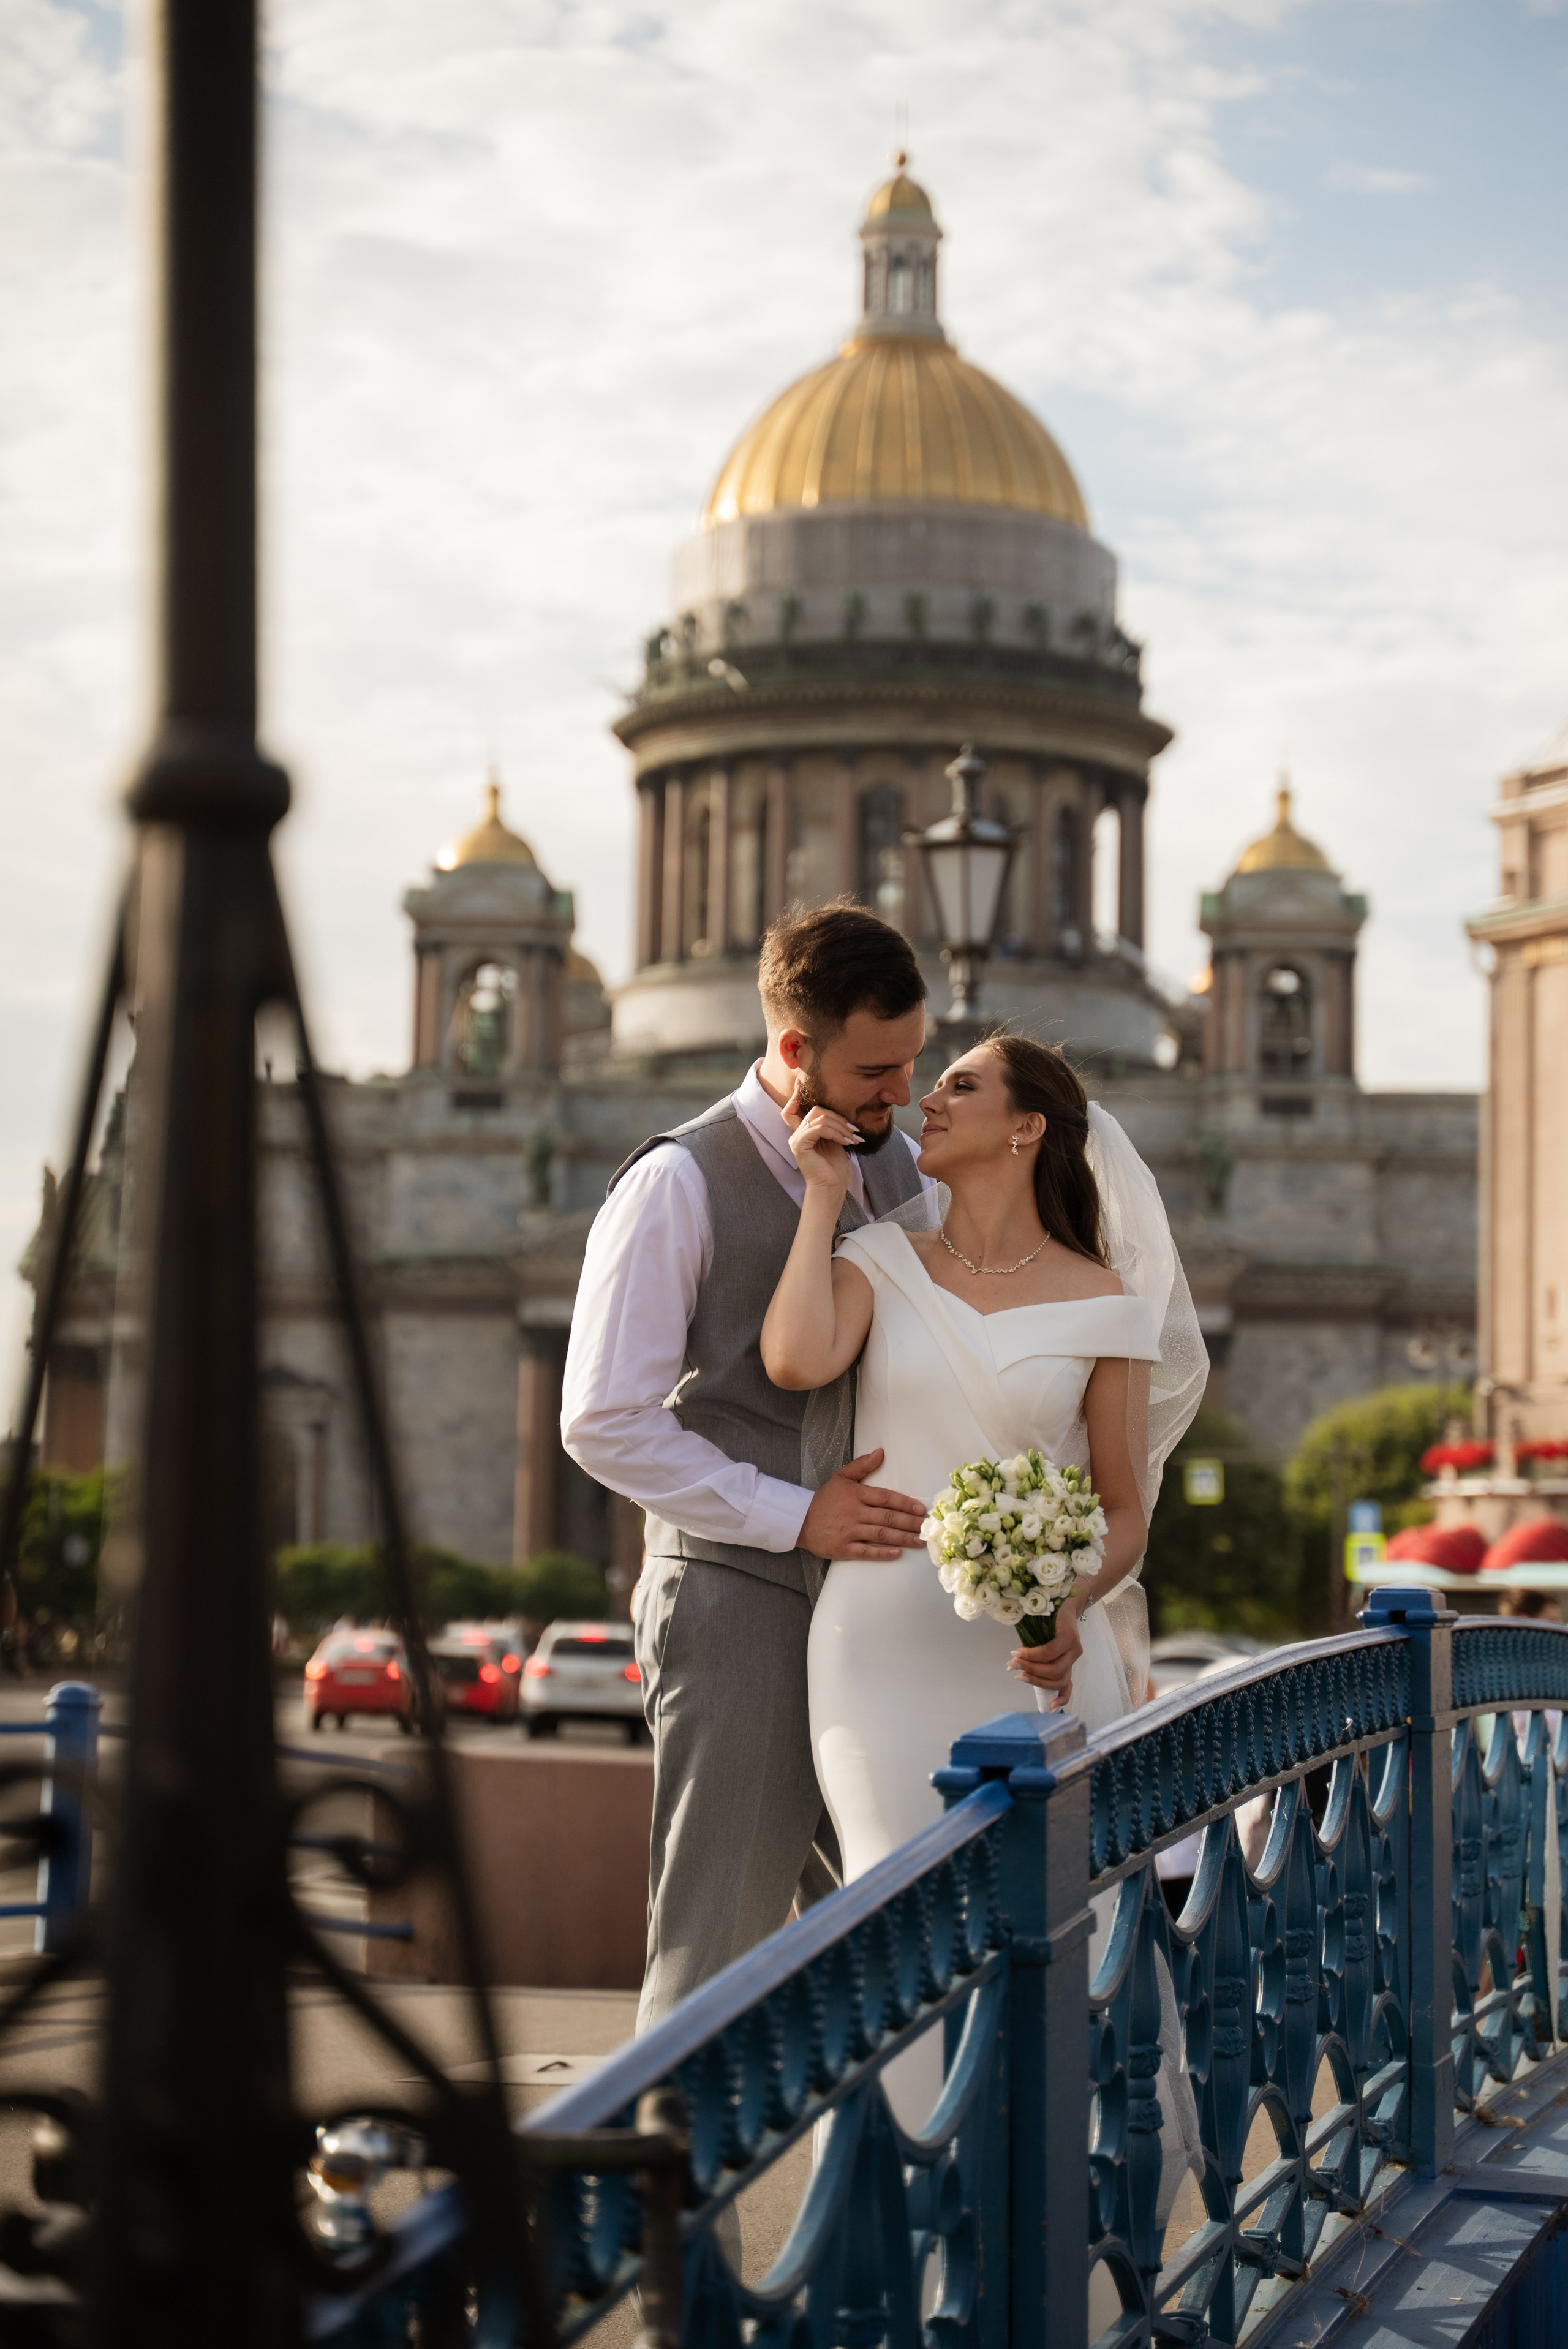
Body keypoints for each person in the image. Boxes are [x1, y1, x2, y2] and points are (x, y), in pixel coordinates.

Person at [761, 1033, 1208, 2200]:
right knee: (894, 1925)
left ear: (1026, 1131)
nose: (926, 1098)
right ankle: (896, 2250)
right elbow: (798, 1356)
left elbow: (1122, 1509)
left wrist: (1068, 1604)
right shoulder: (878, 1255)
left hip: (1040, 1670)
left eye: (960, 1083)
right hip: (877, 1652)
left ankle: (1062, 2251)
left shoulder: (1107, 1297)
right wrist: (820, 1198)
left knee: (1066, 1947)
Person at [561, 902, 938, 2029]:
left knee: (898, 1953)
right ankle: (665, 2208)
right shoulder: (677, 1181)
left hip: (876, 1611)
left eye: (914, 1062)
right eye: (877, 1069)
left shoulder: (903, 1170)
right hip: (737, 1603)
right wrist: (793, 1516)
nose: (903, 1094)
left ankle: (865, 2209)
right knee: (714, 1954)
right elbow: (604, 1421)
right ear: (792, 1052)